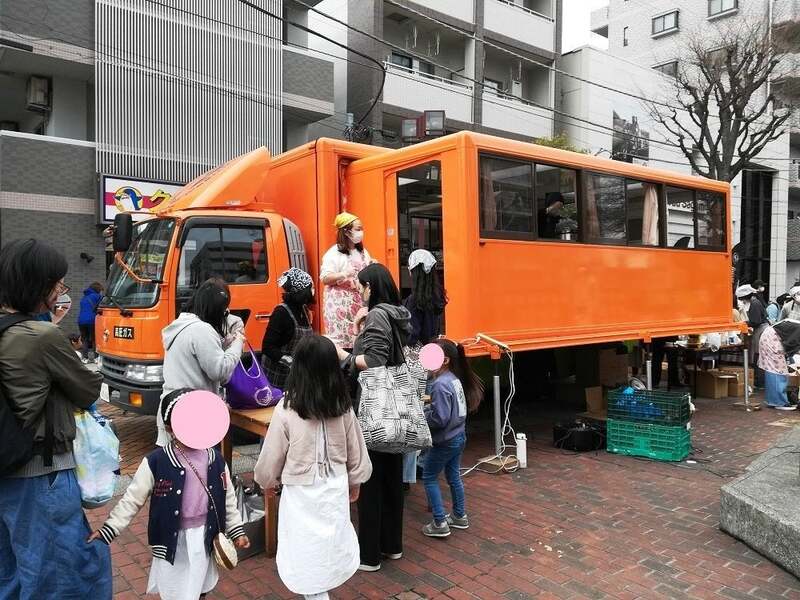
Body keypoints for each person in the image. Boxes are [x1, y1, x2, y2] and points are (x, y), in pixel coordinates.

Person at [0, 239, 112, 599]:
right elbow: (88, 389)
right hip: (41, 474)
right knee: (62, 578)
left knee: (12, 575)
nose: (59, 291)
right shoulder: (41, 335)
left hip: (6, 474)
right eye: (56, 284)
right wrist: (49, 327)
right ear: (38, 286)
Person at [88, 389, 250, 600]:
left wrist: (236, 530)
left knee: (200, 584)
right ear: (169, 428)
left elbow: (227, 498)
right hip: (173, 540)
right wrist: (109, 529)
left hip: (204, 536)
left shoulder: (216, 459)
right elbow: (132, 499)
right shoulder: (156, 462)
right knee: (175, 589)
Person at [254, 335, 372, 599]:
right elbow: (356, 449)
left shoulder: (286, 407)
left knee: (305, 548)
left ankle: (316, 594)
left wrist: (266, 482)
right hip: (334, 485)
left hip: (301, 492)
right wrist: (355, 480)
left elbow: (272, 453)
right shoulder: (342, 405)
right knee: (329, 545)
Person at [335, 263, 412, 572]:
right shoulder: (396, 313)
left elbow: (376, 360)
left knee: (370, 477)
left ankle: (369, 555)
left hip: (374, 407)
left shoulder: (379, 313)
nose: (359, 290)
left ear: (373, 287)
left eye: (362, 285)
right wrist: (358, 333)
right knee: (392, 477)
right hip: (395, 406)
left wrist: (346, 357)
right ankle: (392, 546)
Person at [157, 279, 244, 446]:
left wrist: (225, 344)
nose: (226, 314)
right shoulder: (201, 329)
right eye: (224, 311)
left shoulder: (182, 325)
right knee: (200, 468)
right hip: (193, 413)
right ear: (215, 309)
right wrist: (238, 341)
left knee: (176, 467)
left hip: (173, 409)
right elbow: (220, 371)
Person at [421, 339, 484, 538]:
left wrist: (422, 414)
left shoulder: (439, 385)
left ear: (445, 360)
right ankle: (459, 515)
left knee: (429, 477)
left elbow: (440, 418)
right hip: (459, 436)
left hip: (444, 440)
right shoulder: (453, 379)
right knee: (454, 477)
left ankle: (439, 522)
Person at [402, 249, 446, 488]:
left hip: (416, 360)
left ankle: (409, 473)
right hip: (433, 355)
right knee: (428, 411)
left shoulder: (412, 302)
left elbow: (411, 336)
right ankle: (426, 462)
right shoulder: (438, 298)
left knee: (413, 415)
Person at [320, 212, 373, 349]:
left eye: (361, 229)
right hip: (339, 306)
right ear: (346, 231)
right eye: (358, 229)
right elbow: (325, 278)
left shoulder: (362, 252)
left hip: (359, 302)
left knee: (360, 340)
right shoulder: (334, 253)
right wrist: (343, 274)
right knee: (342, 343)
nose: (361, 232)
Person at [261, 268, 314, 389]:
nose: (312, 291)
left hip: (296, 376)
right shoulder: (281, 313)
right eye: (310, 288)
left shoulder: (303, 310)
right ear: (301, 292)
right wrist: (290, 361)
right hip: (277, 377)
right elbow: (267, 347)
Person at [737, 284, 769, 388]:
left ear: (746, 296)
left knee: (758, 355)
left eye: (742, 298)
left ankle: (760, 382)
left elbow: (756, 321)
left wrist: (744, 323)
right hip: (762, 329)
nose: (741, 300)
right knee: (759, 355)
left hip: (761, 330)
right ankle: (760, 381)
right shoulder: (756, 302)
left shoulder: (754, 303)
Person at [758, 325, 796, 410]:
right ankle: (779, 402)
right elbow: (791, 345)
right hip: (772, 341)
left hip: (770, 338)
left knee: (773, 369)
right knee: (777, 371)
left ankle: (773, 400)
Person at [78, 281, 104, 362]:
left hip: (81, 321)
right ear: (98, 289)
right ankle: (96, 358)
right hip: (92, 320)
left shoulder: (84, 297)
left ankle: (85, 358)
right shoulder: (97, 296)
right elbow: (102, 306)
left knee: (84, 339)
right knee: (94, 339)